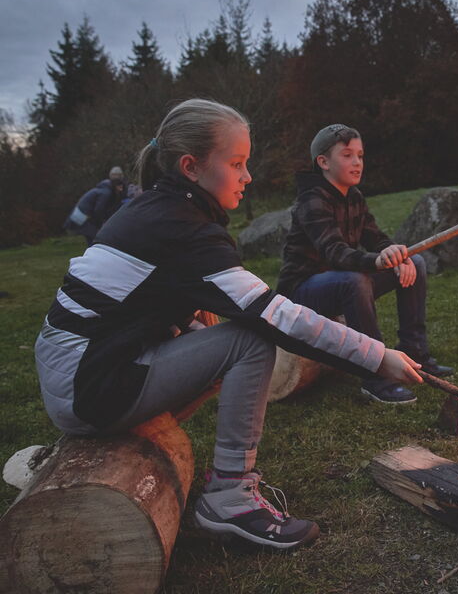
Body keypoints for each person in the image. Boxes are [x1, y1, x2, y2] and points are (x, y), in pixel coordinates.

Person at [34, 99, 422, 550]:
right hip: (88, 388)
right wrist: (377, 357)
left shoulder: (158, 211)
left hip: (76, 373)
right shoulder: (184, 228)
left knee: (217, 331)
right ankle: (229, 500)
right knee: (249, 340)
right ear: (191, 167)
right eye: (237, 163)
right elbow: (276, 315)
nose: (248, 176)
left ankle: (228, 489)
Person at [276, 124, 453, 405]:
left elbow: (376, 238)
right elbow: (335, 252)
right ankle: (375, 375)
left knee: (416, 262)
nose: (357, 162)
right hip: (302, 292)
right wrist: (377, 261)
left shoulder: (354, 197)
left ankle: (414, 353)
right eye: (347, 155)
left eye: (360, 155)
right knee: (354, 280)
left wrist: (396, 257)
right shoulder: (311, 200)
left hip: (339, 281)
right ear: (323, 162)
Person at [63, 166, 127, 245]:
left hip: (81, 215)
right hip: (83, 216)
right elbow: (99, 209)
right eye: (119, 187)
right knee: (96, 237)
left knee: (93, 237)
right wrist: (99, 223)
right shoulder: (106, 193)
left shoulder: (104, 190)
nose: (121, 190)